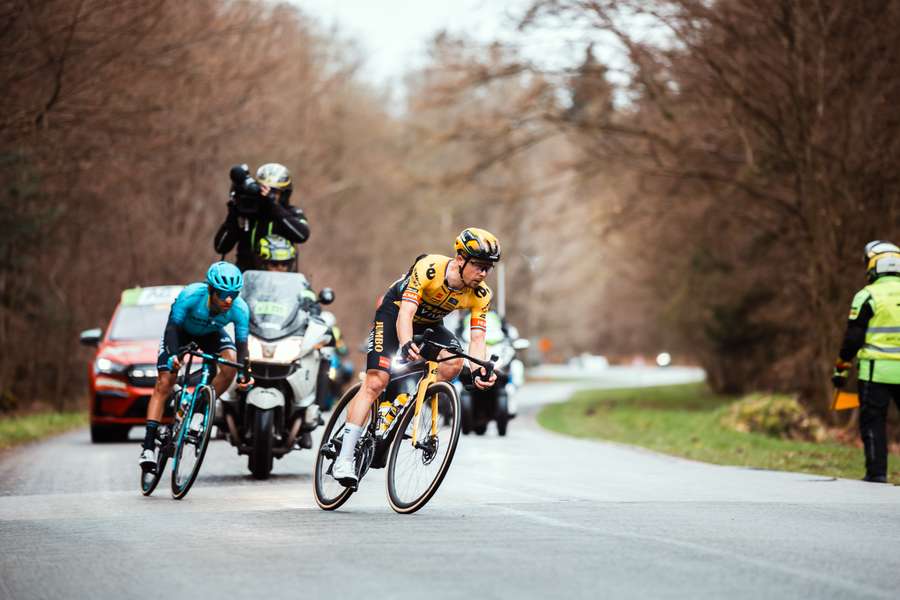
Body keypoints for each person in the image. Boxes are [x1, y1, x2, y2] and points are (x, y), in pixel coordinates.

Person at [331, 227, 502, 486]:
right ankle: (344, 459)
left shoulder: (481, 294)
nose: (483, 273)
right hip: (394, 313)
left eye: (488, 268)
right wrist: (405, 342)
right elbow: (406, 314)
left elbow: (477, 339)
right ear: (460, 259)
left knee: (454, 363)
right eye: (478, 266)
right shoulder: (430, 268)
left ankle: (408, 402)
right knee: (377, 381)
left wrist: (478, 368)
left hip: (431, 324)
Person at [139, 261, 255, 470]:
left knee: (229, 365)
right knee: (165, 382)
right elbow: (172, 328)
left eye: (234, 294)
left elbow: (242, 347)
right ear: (211, 290)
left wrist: (244, 375)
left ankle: (198, 411)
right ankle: (147, 447)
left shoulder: (240, 309)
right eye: (222, 294)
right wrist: (173, 356)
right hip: (181, 333)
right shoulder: (191, 295)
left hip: (211, 333)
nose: (228, 300)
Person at [833, 240, 900, 483]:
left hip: (876, 373)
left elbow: (852, 340)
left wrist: (841, 370)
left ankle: (877, 473)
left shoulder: (867, 295)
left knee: (873, 422)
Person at [214, 163, 310, 272]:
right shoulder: (248, 213)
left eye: (274, 191)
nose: (268, 194)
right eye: (264, 189)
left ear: (284, 194)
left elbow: (302, 235)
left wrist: (273, 206)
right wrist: (234, 212)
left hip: (283, 281)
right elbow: (221, 247)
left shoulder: (292, 213)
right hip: (246, 281)